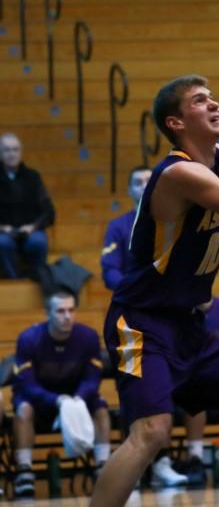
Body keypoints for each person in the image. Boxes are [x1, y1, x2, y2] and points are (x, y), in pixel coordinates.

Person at [89, 74, 219, 507]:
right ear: (176, 122)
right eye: (200, 101)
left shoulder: (218, 157)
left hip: (189, 326)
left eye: (212, 98)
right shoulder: (179, 172)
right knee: (151, 431)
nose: (213, 105)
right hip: (143, 323)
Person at [101, 166, 204, 488]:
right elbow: (109, 273)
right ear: (130, 189)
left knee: (168, 395)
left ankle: (164, 462)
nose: (143, 185)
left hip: (170, 321)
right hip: (132, 320)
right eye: (137, 181)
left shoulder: (175, 221)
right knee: (137, 398)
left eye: (148, 180)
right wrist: (145, 290)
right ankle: (131, 468)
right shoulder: (118, 227)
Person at [12, 289, 111, 498]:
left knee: (101, 408)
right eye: (60, 311)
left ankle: (103, 466)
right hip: (40, 400)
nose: (67, 316)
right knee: (23, 409)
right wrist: (56, 400)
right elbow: (26, 384)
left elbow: (93, 377)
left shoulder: (89, 337)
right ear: (47, 313)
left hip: (76, 396)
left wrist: (79, 398)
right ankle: (24, 471)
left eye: (71, 310)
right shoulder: (29, 339)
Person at [0, 133, 55, 280]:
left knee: (38, 242)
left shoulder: (33, 177)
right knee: (2, 243)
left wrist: (32, 227)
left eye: (15, 149)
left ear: (21, 152)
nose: (12, 154)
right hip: (3, 231)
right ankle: (14, 283)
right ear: (1, 153)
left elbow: (48, 211)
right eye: (7, 150)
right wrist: (3, 228)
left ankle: (39, 280)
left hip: (30, 230)